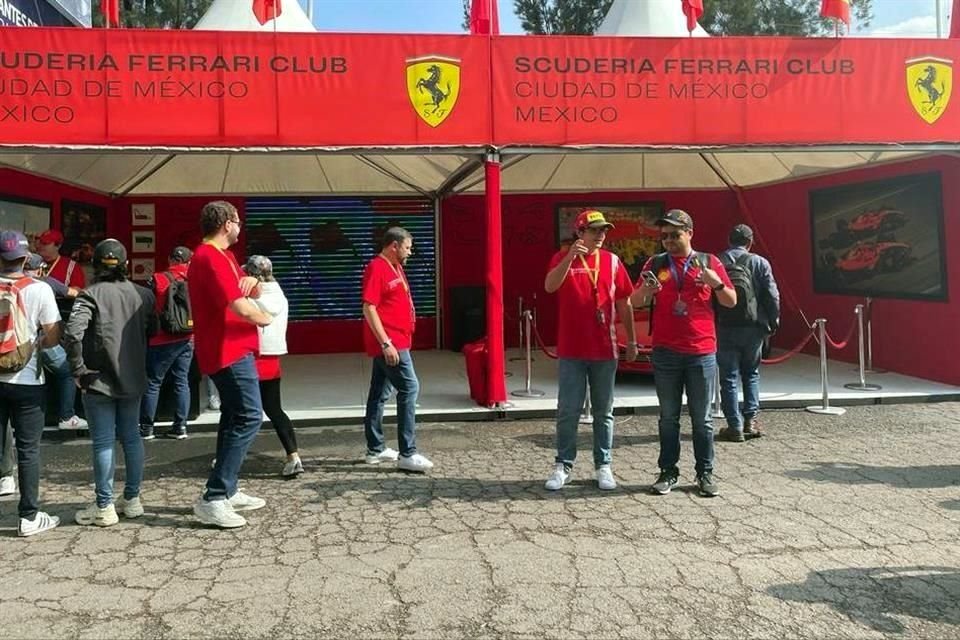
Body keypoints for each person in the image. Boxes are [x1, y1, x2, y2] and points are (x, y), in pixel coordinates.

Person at [630, 209, 736, 498]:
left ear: (690, 233)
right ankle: (668, 471)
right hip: (665, 351)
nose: (668, 241)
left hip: (701, 351)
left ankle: (705, 472)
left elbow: (730, 301)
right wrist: (646, 293)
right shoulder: (656, 264)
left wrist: (715, 283)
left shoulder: (709, 262)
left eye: (675, 235)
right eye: (664, 236)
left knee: (701, 419)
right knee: (668, 418)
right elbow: (634, 300)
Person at [188, 201, 273, 528]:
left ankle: (228, 488)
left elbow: (247, 288)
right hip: (227, 350)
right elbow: (240, 305)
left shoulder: (223, 256)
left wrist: (254, 284)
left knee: (235, 416)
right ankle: (215, 495)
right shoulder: (210, 256)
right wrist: (265, 318)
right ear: (226, 223)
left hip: (233, 348)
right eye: (237, 221)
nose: (240, 226)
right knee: (250, 415)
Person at [542, 210, 637, 491]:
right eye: (595, 230)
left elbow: (624, 302)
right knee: (568, 410)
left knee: (603, 411)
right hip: (572, 348)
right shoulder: (562, 258)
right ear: (580, 232)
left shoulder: (612, 261)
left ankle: (603, 465)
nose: (601, 236)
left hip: (604, 349)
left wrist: (631, 340)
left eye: (604, 231)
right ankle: (563, 464)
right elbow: (549, 286)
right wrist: (570, 257)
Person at [64, 239, 156, 527]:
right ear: (126, 264)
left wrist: (78, 370)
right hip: (133, 377)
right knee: (131, 437)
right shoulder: (144, 294)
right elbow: (152, 330)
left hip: (97, 379)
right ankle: (132, 499)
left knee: (103, 441)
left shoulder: (88, 295)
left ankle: (104, 505)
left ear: (95, 265)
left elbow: (72, 334)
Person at [0, 230, 61, 536]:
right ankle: (29, 517)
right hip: (27, 379)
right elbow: (52, 336)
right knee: (28, 450)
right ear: (26, 258)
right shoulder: (39, 289)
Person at [361, 227, 433, 473]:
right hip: (391, 344)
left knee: (379, 393)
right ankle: (408, 453)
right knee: (410, 388)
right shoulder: (377, 267)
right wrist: (385, 343)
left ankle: (375, 448)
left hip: (398, 340)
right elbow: (369, 307)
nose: (410, 252)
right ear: (394, 245)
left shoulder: (396, 267)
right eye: (407, 247)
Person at [715, 224, 781, 442]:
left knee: (728, 377)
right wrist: (773, 320)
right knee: (751, 374)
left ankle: (733, 425)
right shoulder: (760, 262)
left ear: (728, 240)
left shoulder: (717, 261)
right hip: (753, 327)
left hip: (724, 325)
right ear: (751, 242)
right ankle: (750, 421)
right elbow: (772, 294)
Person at [244, 255, 302, 477]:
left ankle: (227, 457)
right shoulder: (280, 294)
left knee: (238, 411)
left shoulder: (249, 298)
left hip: (251, 356)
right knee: (274, 409)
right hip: (272, 357)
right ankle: (293, 456)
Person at [140, 246, 195, 440]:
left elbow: (146, 305)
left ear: (170, 259)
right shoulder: (195, 279)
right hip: (187, 336)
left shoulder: (158, 278)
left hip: (161, 337)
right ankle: (180, 427)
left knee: (153, 382)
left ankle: (147, 428)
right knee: (182, 381)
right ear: (189, 262)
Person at [34, 232, 87, 431]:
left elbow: (79, 292)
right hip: (45, 331)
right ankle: (65, 415)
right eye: (40, 244)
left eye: (46, 244)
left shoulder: (71, 266)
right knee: (66, 371)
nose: (42, 247)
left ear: (58, 245)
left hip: (59, 325)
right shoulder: (45, 279)